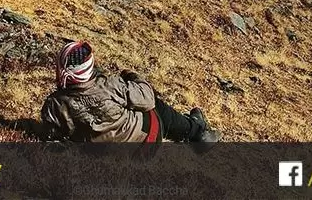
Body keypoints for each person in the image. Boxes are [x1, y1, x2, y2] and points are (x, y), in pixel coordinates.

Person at [40, 40, 220, 143]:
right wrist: (133, 77)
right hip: (144, 146)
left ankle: (194, 130)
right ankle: (196, 131)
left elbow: (55, 134)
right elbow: (147, 98)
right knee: (154, 104)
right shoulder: (112, 85)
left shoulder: (53, 105)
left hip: (101, 158)